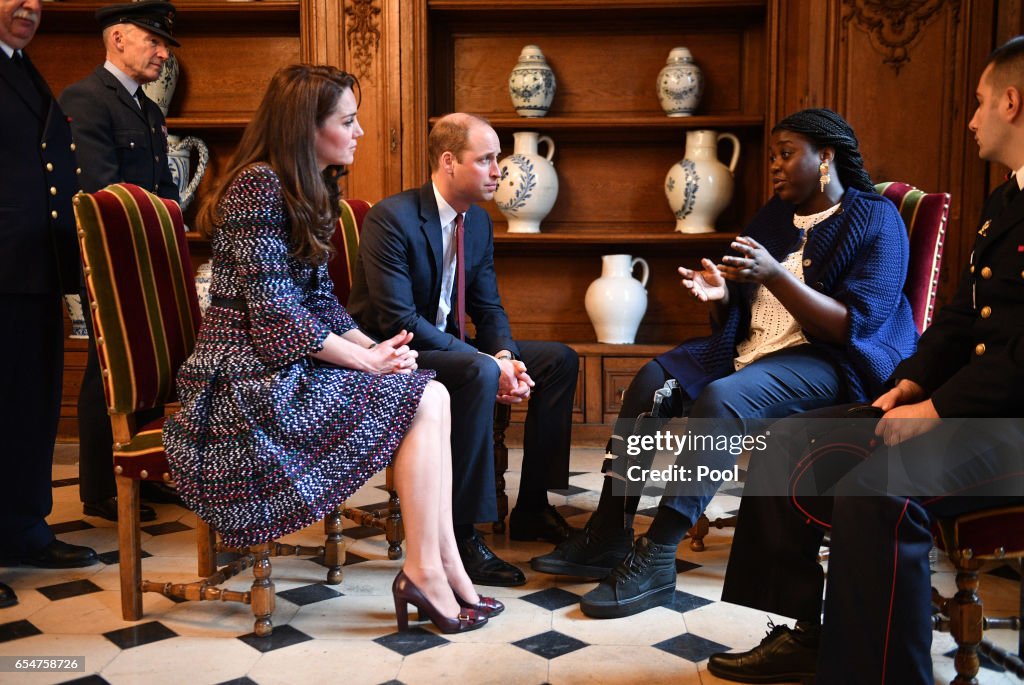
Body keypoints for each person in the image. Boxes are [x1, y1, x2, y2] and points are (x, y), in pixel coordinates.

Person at [708, 36, 1024, 685]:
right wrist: (911, 381)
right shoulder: (1006, 202)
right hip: (966, 402)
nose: (972, 118)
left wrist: (938, 408)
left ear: (1013, 103)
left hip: (1008, 426)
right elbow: (961, 320)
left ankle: (881, 674)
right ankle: (806, 635)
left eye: (981, 102)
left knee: (875, 489)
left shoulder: (875, 215)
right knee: (784, 441)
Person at [531, 108, 920, 619]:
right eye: (773, 156)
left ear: (825, 157)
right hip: (754, 345)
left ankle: (658, 554)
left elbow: (853, 327)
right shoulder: (777, 216)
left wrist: (774, 277)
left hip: (832, 362)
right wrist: (721, 295)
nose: (775, 167)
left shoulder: (876, 219)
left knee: (723, 399)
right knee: (652, 379)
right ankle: (610, 529)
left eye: (786, 154)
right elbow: (743, 301)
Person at [162, 65, 497, 634]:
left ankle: (443, 565)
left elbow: (321, 303)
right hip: (242, 382)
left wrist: (381, 346)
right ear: (305, 128)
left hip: (282, 364)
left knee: (430, 391)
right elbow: (275, 316)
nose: (360, 131)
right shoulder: (255, 186)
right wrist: (368, 361)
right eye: (347, 120)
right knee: (421, 399)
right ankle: (426, 570)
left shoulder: (304, 188)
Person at [347, 113, 580, 587]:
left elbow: (489, 307)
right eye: (488, 159)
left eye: (499, 160)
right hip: (390, 356)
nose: (499, 171)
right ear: (449, 161)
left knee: (558, 359)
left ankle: (533, 506)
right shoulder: (391, 219)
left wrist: (506, 357)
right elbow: (400, 322)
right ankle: (462, 535)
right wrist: (487, 364)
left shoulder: (476, 225)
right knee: (477, 375)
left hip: (448, 347)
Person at [59, 0, 180, 523]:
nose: (162, 53)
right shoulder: (85, 99)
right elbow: (100, 191)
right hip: (108, 260)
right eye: (152, 41)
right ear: (117, 40)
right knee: (107, 369)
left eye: (164, 44)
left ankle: (142, 474)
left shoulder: (148, 110)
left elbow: (166, 192)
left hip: (148, 257)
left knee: (152, 362)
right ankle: (98, 487)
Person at [0, 0, 98, 581]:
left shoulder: (20, 66)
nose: (29, 6)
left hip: (31, 269)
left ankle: (23, 529)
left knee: (27, 409)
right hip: (4, 268)